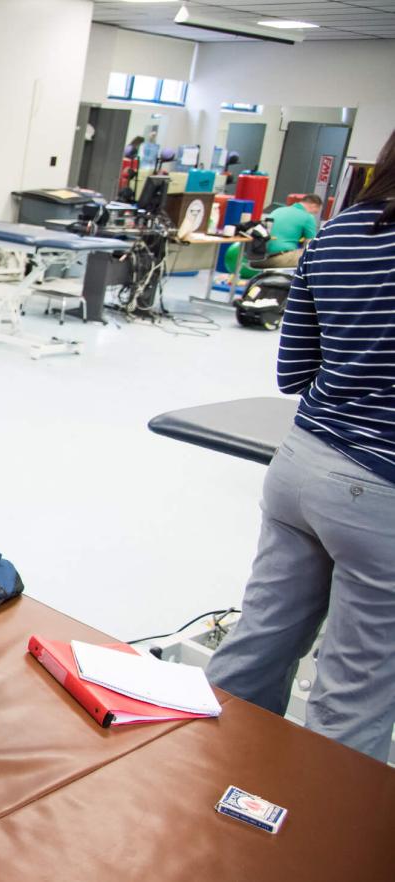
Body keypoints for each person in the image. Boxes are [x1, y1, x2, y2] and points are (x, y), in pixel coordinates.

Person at [205, 129, 395, 762]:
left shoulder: (338, 235)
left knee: (258, 641)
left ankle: (190, 784)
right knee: (354, 689)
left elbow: (291, 374)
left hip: (302, 466)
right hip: (380, 494)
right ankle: (326, 837)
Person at [260, 193, 323, 268]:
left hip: (259, 258)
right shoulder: (308, 217)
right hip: (280, 258)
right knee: (316, 259)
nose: (314, 214)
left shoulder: (278, 210)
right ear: (314, 206)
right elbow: (311, 245)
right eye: (315, 212)